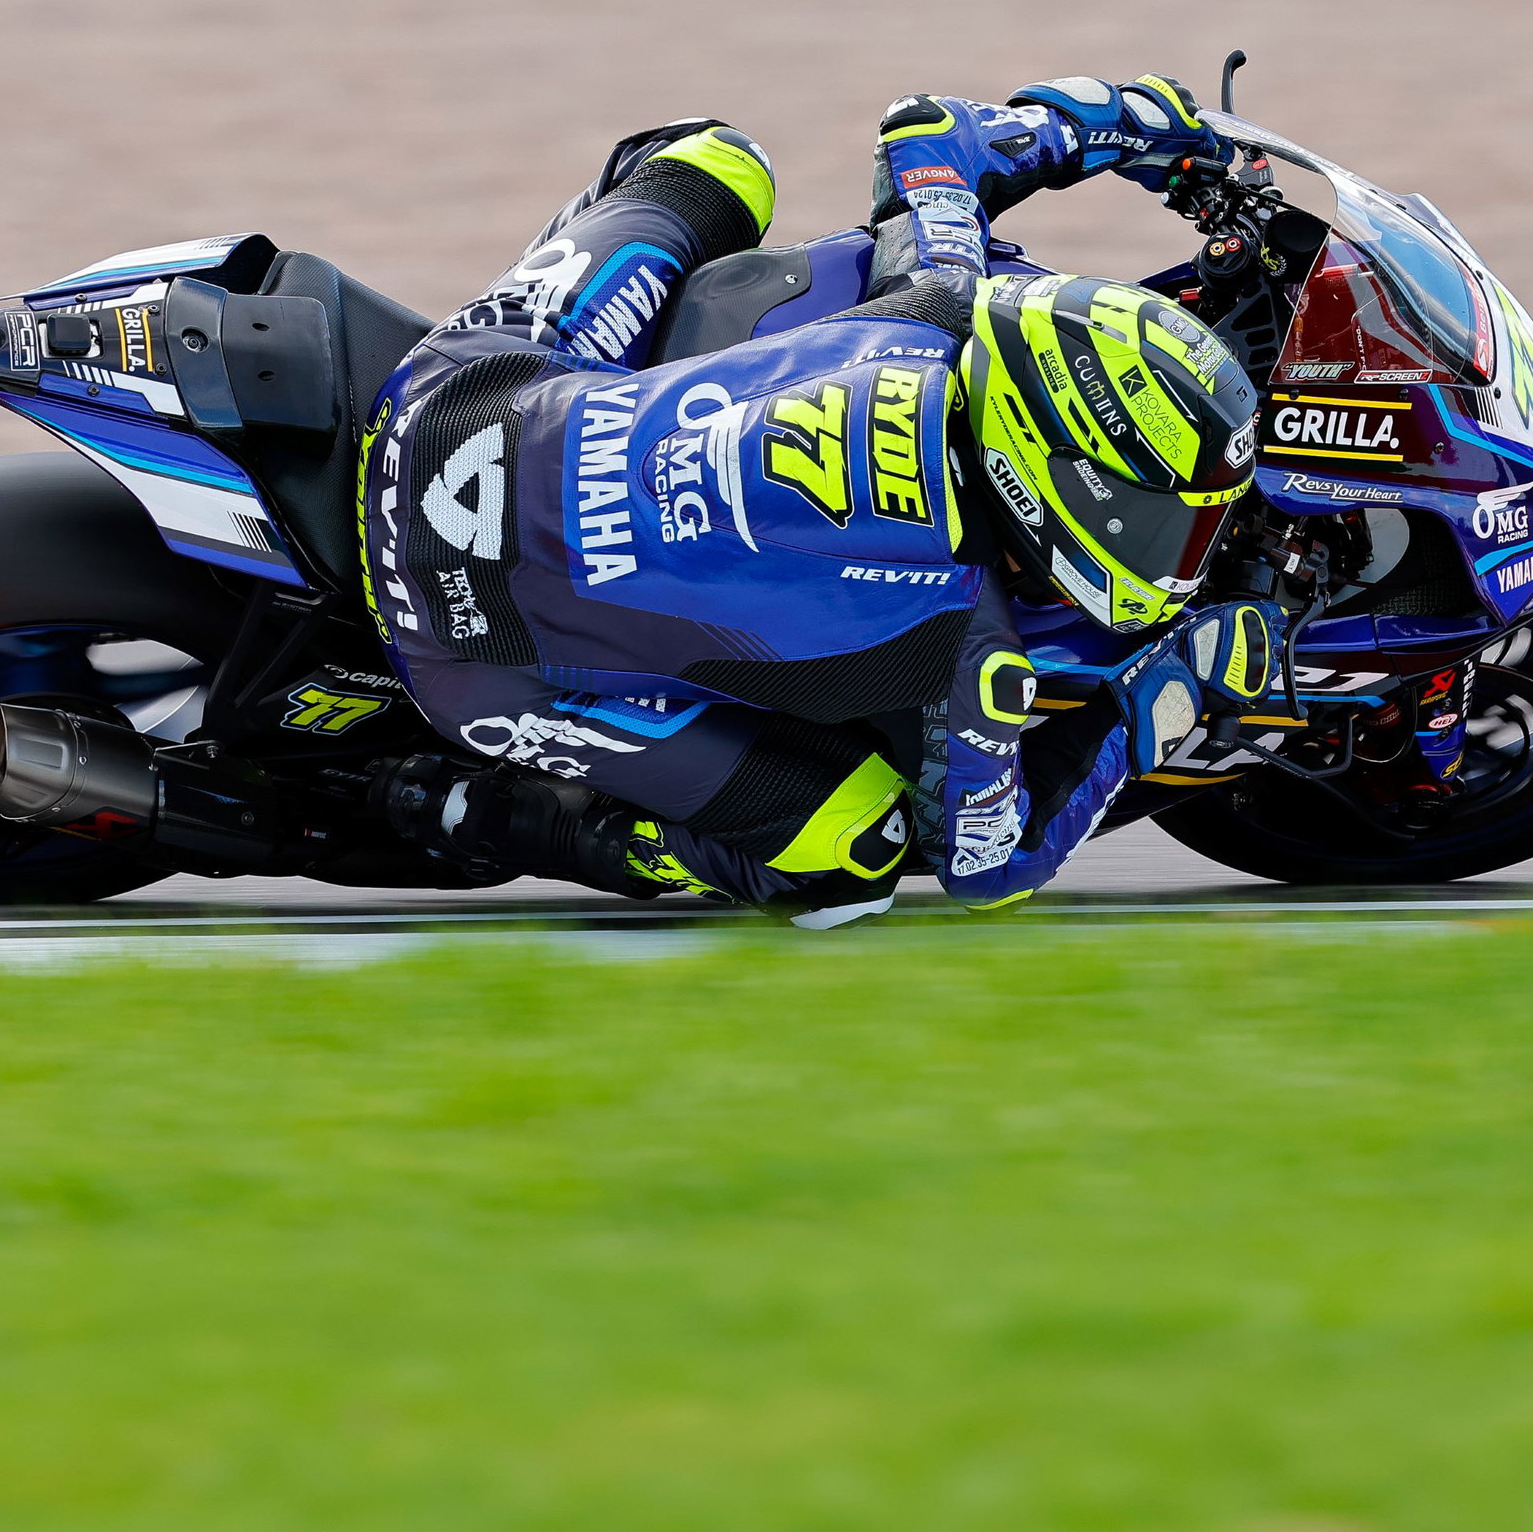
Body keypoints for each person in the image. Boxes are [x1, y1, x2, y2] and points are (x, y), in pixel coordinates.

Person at [359, 75, 1283, 925]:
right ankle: (499, 816)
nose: (1184, 544)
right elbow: (990, 867)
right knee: (852, 861)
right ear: (1043, 478)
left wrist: (1129, 123)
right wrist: (1172, 688)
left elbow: (927, 132)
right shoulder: (972, 645)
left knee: (710, 158)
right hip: (468, 652)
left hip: (451, 401)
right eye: (1164, 517)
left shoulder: (935, 301)